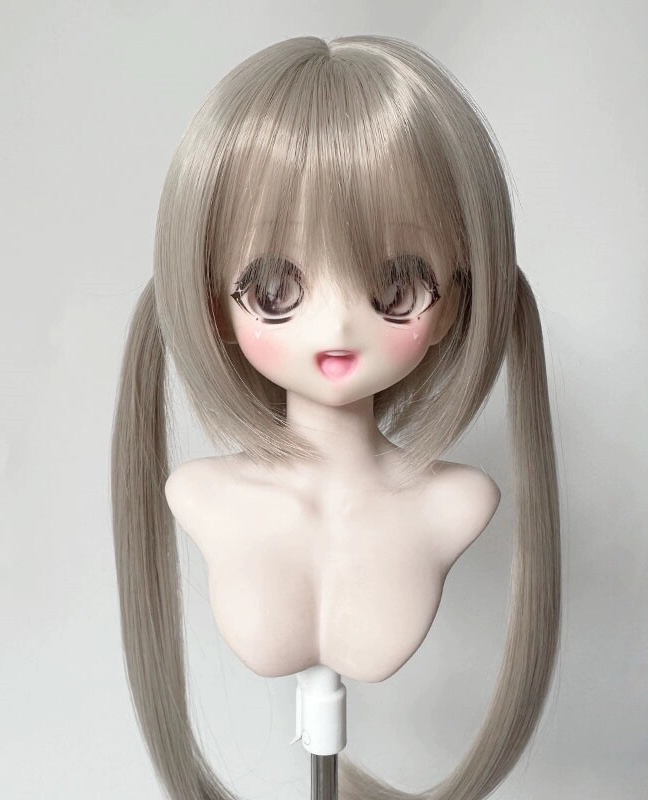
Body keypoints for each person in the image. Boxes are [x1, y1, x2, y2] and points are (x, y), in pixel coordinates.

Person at [111, 33, 561, 800]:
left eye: (397, 285)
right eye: (275, 288)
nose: (338, 325)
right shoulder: (201, 495)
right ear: (213, 306)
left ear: (456, 302)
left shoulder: (455, 503)